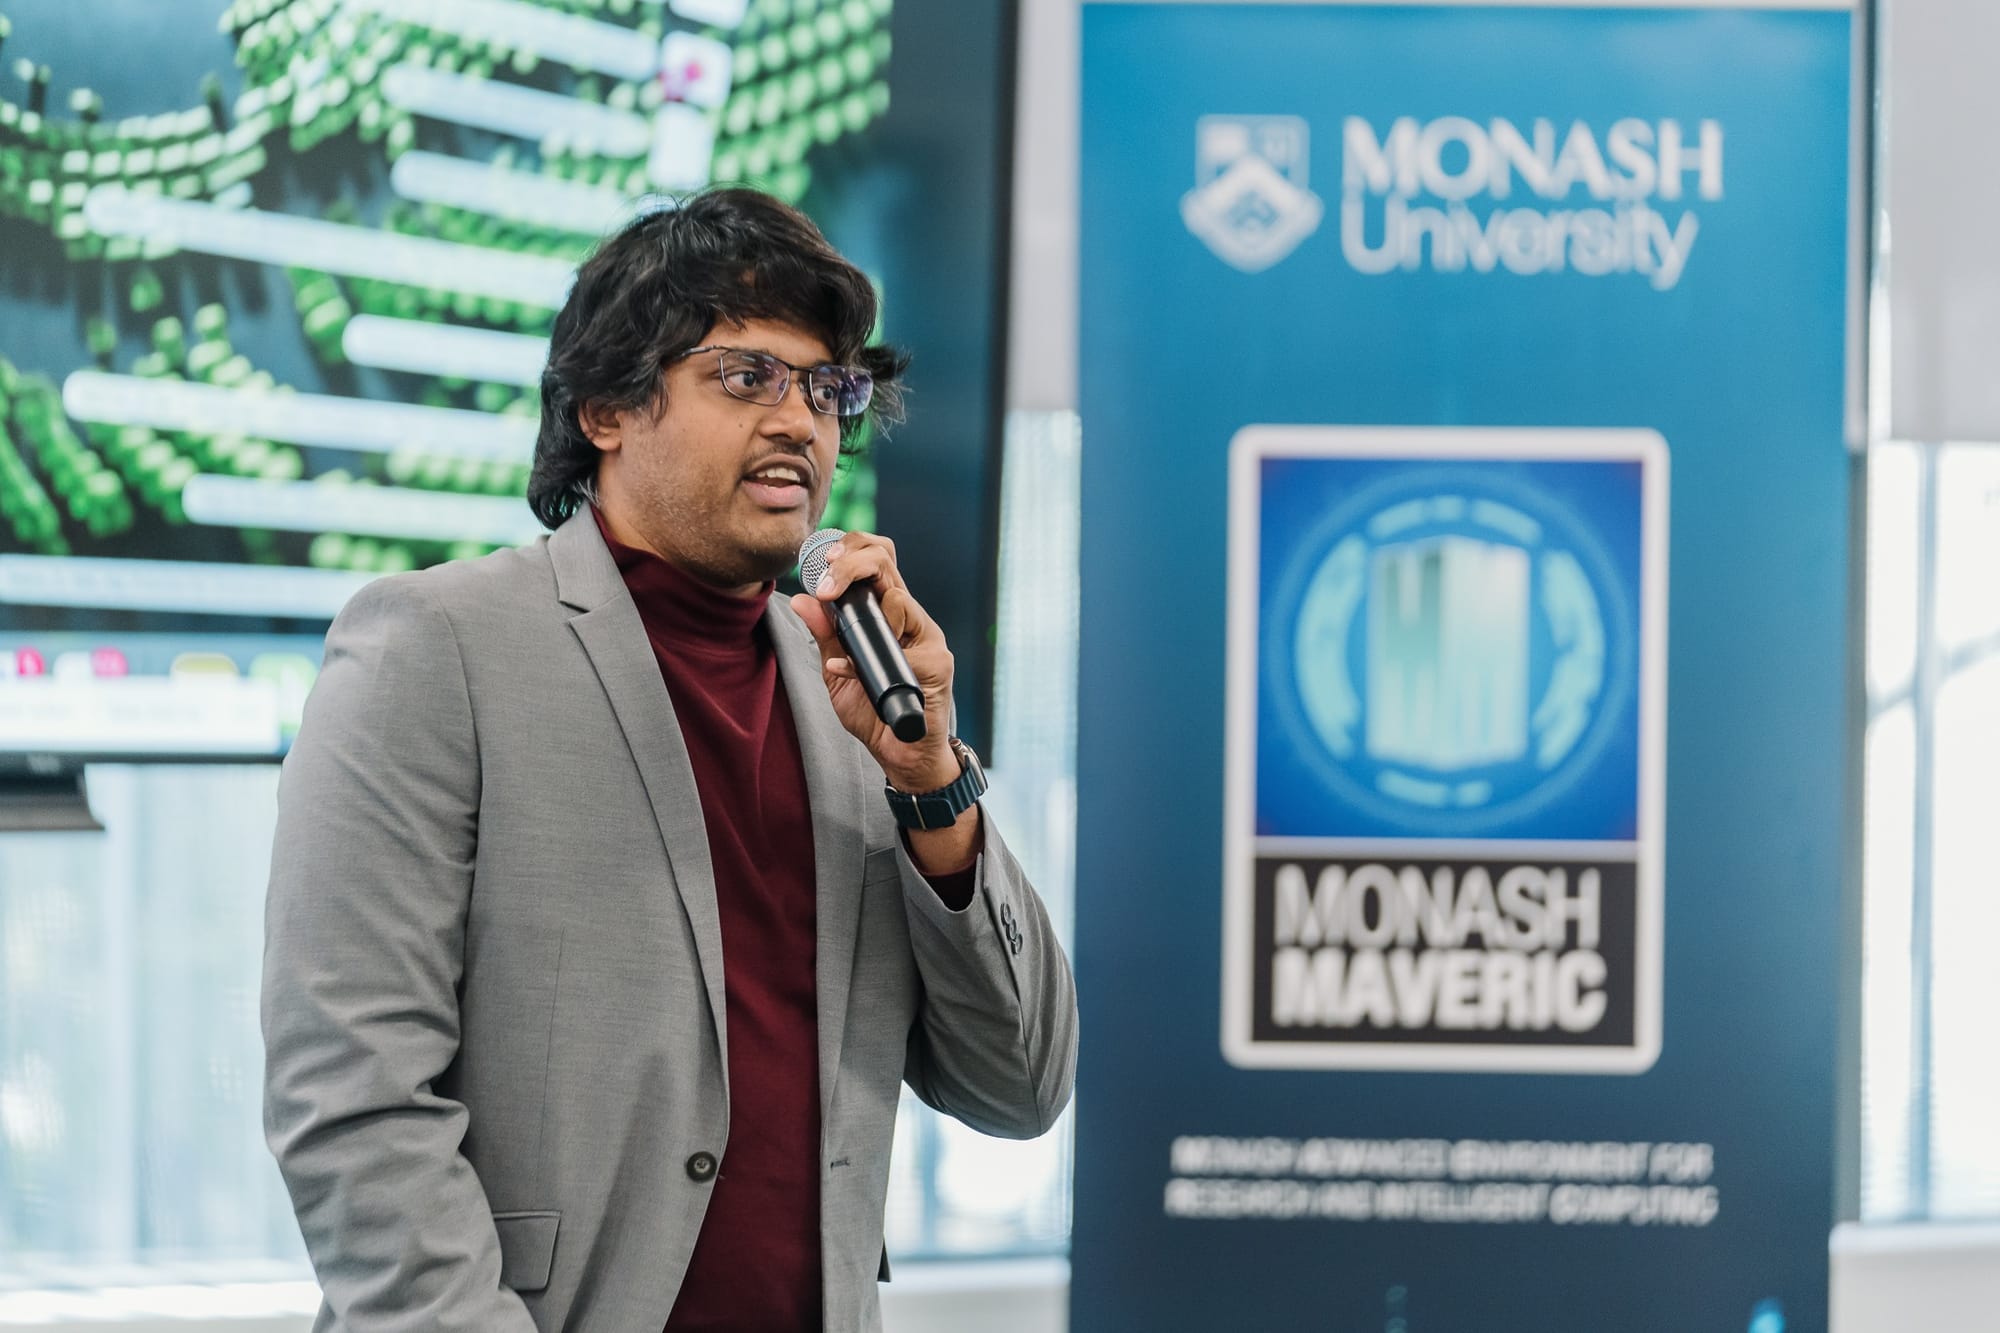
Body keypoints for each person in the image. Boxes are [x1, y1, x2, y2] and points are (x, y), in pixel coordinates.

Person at [261, 187, 1078, 1333]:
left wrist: (930, 777)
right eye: (747, 377)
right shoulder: (436, 644)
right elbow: (352, 1095)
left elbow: (1021, 1085)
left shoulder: (857, 690)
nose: (799, 422)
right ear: (605, 406)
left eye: (827, 389)